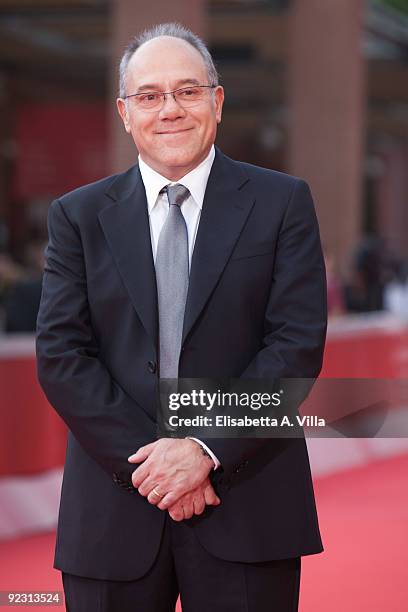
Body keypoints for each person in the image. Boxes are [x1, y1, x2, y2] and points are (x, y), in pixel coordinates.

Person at [36, 22, 327, 612]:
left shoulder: (282, 202)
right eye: (149, 95)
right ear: (125, 112)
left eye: (188, 91)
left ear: (216, 102)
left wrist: (202, 449)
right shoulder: (77, 216)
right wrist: (155, 465)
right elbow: (62, 356)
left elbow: (294, 346)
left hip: (247, 503)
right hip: (112, 512)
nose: (169, 109)